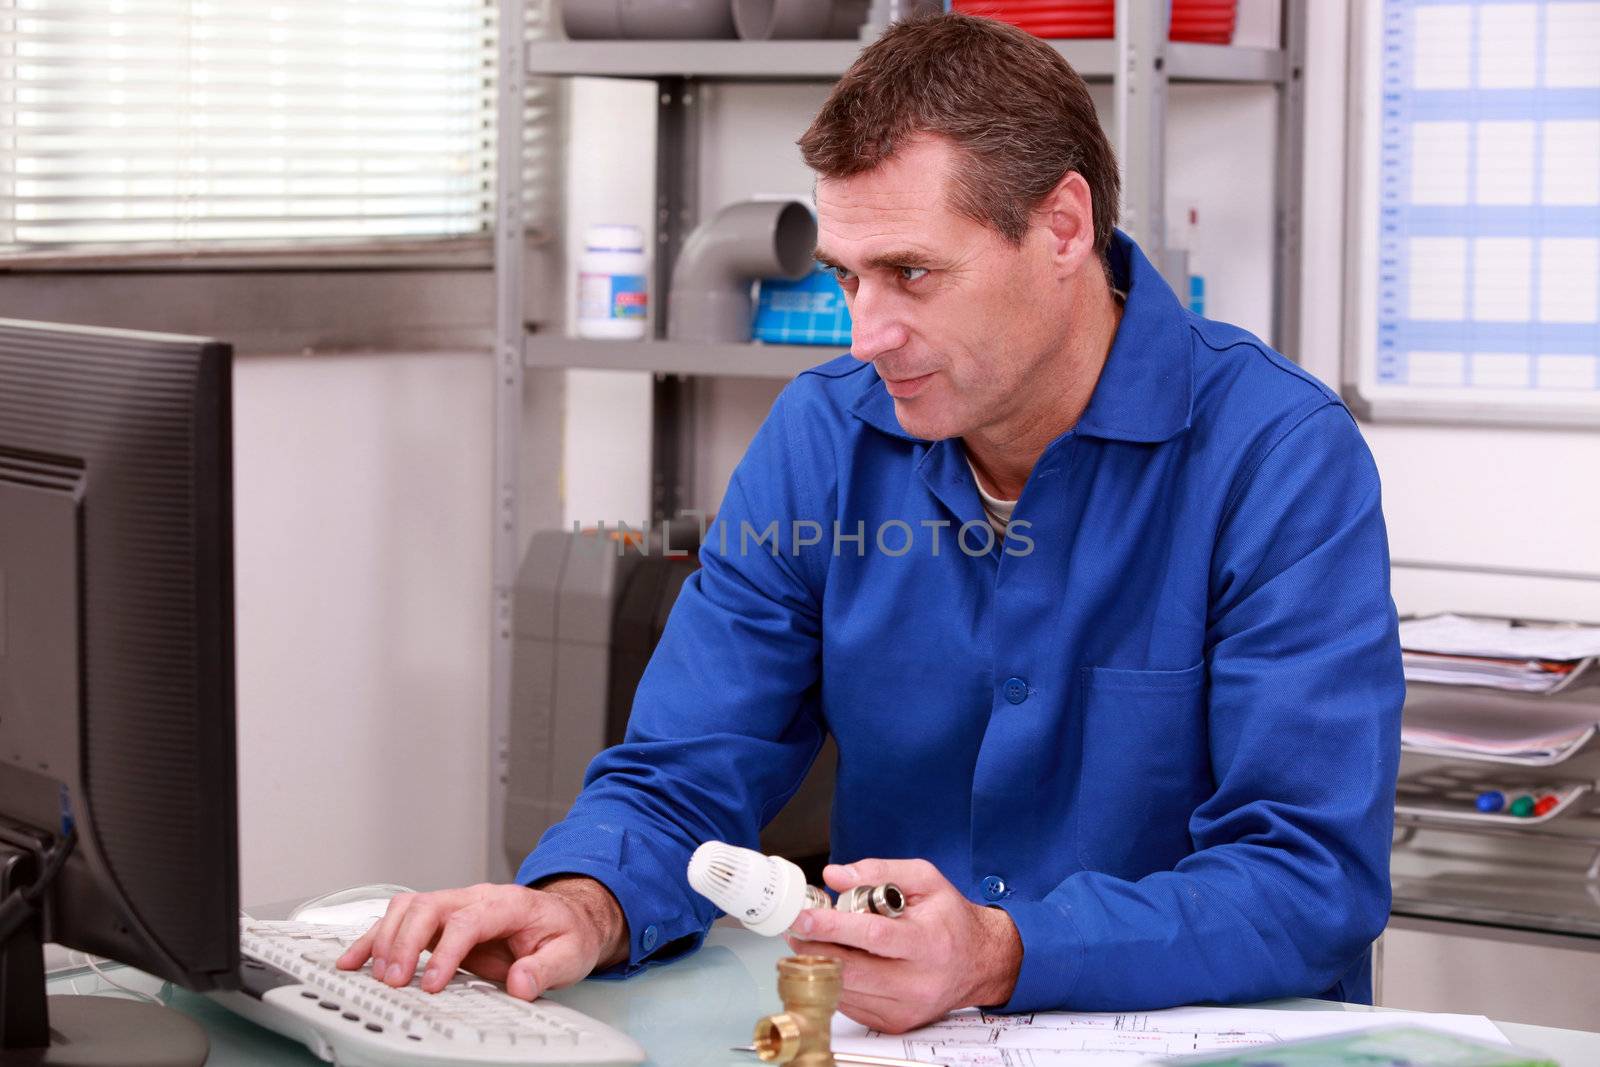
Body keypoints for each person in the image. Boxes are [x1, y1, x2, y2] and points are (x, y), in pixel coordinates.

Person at [338, 14, 1404, 1035]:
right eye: (848, 276)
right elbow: (684, 768)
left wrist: (1002, 948)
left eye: (913, 273)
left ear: (1063, 227)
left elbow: (1305, 874)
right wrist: (583, 900)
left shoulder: (1277, 457)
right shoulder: (822, 436)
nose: (870, 332)